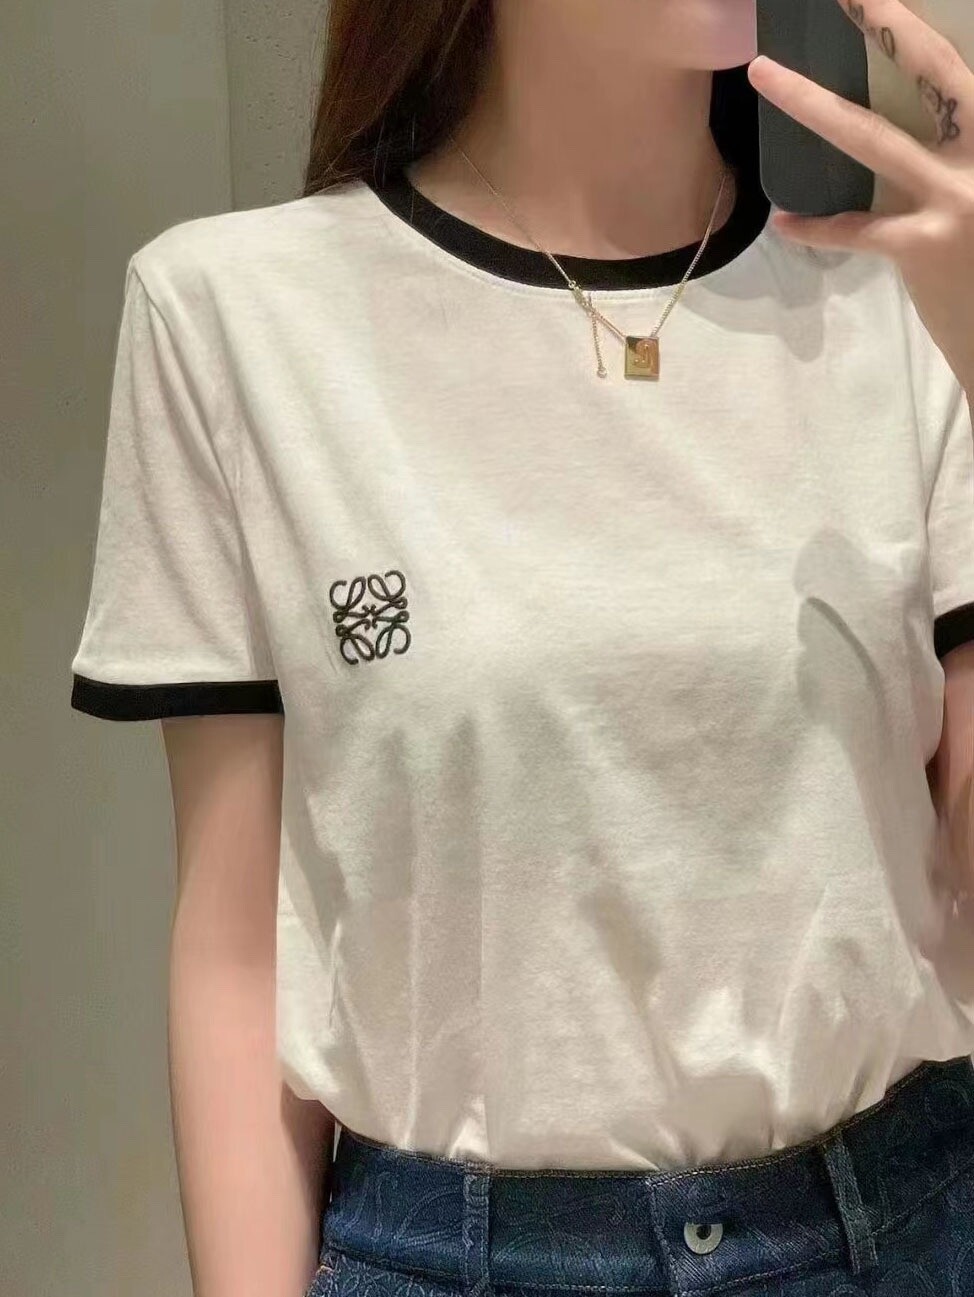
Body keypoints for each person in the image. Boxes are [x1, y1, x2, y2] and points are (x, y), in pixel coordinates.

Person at [69, 1, 974, 1294]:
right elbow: (239, 948)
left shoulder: (912, 301)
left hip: (900, 1229)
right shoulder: (234, 315)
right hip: (447, 1256)